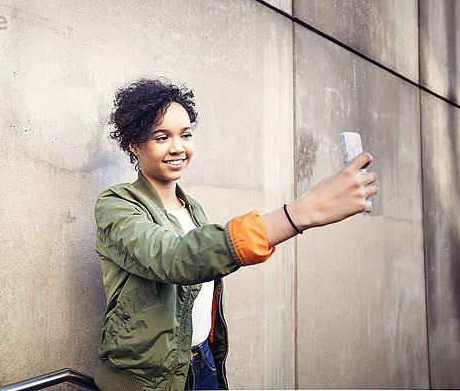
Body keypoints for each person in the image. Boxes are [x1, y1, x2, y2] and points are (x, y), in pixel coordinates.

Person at [93, 78, 378, 391]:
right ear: (135, 144)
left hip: (202, 363)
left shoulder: (192, 208)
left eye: (185, 135)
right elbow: (174, 259)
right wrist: (300, 213)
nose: (178, 147)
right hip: (146, 382)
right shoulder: (116, 204)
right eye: (162, 137)